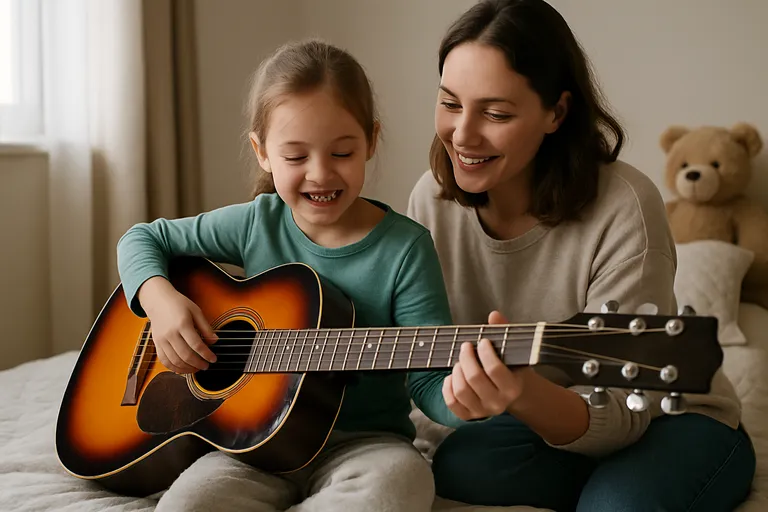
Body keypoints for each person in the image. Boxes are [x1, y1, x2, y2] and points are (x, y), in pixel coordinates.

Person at [406, 1, 756, 511]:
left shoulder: (625, 204)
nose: (462, 135)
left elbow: (626, 408)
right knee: (457, 468)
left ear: (557, 113)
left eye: (496, 113)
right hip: (540, 420)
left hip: (667, 414)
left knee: (615, 508)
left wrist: (523, 391)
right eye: (450, 103)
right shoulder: (429, 200)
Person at [116, 39, 453, 512]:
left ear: (371, 141)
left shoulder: (406, 249)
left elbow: (429, 384)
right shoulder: (258, 222)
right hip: (250, 446)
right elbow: (140, 239)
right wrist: (160, 301)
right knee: (185, 505)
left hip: (364, 444)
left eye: (342, 153)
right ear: (262, 152)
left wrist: (466, 398)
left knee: (402, 485)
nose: (320, 173)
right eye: (295, 157)